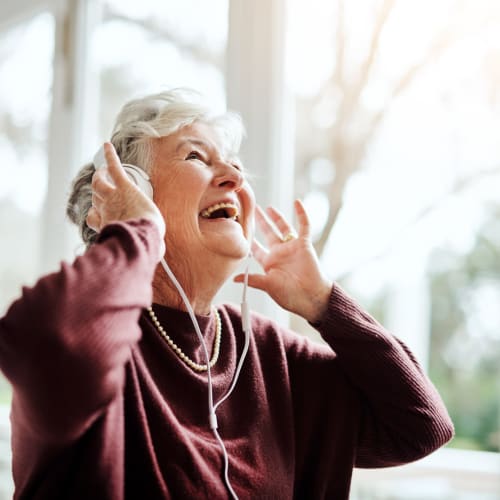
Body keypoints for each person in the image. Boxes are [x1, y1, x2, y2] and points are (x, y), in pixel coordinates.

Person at [0, 89, 454, 499]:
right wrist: (135, 232)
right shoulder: (85, 332)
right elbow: (43, 346)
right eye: (197, 157)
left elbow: (420, 425)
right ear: (130, 193)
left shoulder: (269, 352)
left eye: (235, 166)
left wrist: (324, 304)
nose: (232, 179)